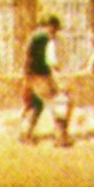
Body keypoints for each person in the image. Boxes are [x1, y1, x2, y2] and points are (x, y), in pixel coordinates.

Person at [20, 16, 70, 145]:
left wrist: (26, 74)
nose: (55, 32)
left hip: (31, 75)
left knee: (37, 105)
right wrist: (58, 69)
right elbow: (51, 60)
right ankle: (60, 138)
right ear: (51, 26)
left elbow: (27, 55)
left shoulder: (34, 36)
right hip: (41, 76)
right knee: (55, 103)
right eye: (55, 29)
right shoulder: (47, 39)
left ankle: (26, 134)